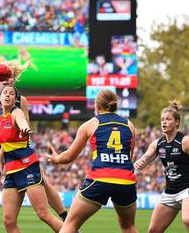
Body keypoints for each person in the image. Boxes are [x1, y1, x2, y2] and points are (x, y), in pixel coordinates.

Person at [0, 60, 68, 233]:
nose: (5, 80)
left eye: (8, 76)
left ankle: (68, 221)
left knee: (46, 186)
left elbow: (23, 124)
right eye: (2, 76)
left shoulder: (20, 100)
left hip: (18, 151)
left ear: (13, 78)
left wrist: (24, 132)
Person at [47, 89, 138, 233]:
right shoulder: (130, 126)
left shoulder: (90, 124)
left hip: (100, 178)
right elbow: (129, 157)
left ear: (97, 105)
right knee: (128, 227)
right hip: (125, 181)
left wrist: (56, 159)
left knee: (70, 224)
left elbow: (68, 157)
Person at [134, 100, 189, 233]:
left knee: (188, 220)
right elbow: (147, 157)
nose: (164, 122)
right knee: (153, 230)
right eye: (162, 120)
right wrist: (140, 162)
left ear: (177, 122)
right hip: (170, 191)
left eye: (168, 119)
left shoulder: (185, 141)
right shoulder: (157, 143)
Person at [0, 85, 63, 233]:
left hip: (27, 166)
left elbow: (23, 122)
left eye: (11, 94)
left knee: (43, 215)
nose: (7, 95)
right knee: (8, 221)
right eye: (4, 93)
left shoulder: (16, 112)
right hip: (11, 171)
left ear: (15, 99)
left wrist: (24, 128)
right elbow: (6, 142)